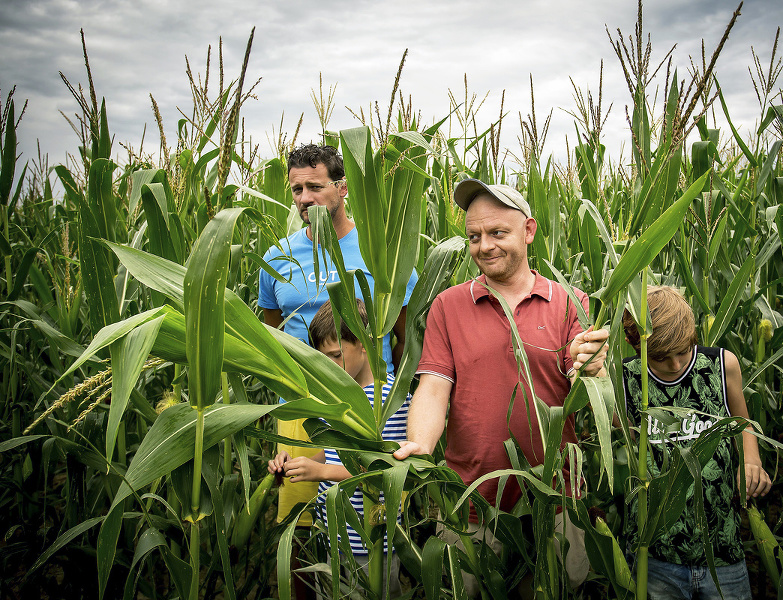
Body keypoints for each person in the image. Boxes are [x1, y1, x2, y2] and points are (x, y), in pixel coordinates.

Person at [392, 179, 610, 597]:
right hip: (472, 499)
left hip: (556, 500)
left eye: (497, 233)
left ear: (528, 231)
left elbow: (587, 386)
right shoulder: (449, 305)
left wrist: (593, 365)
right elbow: (435, 386)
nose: (484, 246)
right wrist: (420, 443)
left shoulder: (569, 301)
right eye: (474, 236)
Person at [258, 144, 417, 598]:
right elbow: (269, 338)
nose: (305, 198)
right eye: (296, 190)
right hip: (302, 410)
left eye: (315, 186)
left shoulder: (381, 253)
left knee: (369, 527)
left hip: (371, 410)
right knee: (303, 528)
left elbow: (404, 337)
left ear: (343, 188)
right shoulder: (279, 258)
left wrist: (395, 395)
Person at [620, 286, 772, 600]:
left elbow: (742, 422)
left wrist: (751, 460)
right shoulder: (623, 379)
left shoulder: (720, 365)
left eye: (683, 351)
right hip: (655, 553)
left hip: (722, 547)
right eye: (661, 357)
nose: (675, 365)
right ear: (633, 344)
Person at [269, 300, 410, 598]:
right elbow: (335, 452)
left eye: (336, 356)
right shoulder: (337, 398)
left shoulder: (390, 401)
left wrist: (319, 472)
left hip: (372, 543)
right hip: (334, 535)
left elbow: (382, 470)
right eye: (324, 360)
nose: (330, 368)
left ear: (364, 344)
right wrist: (298, 462)